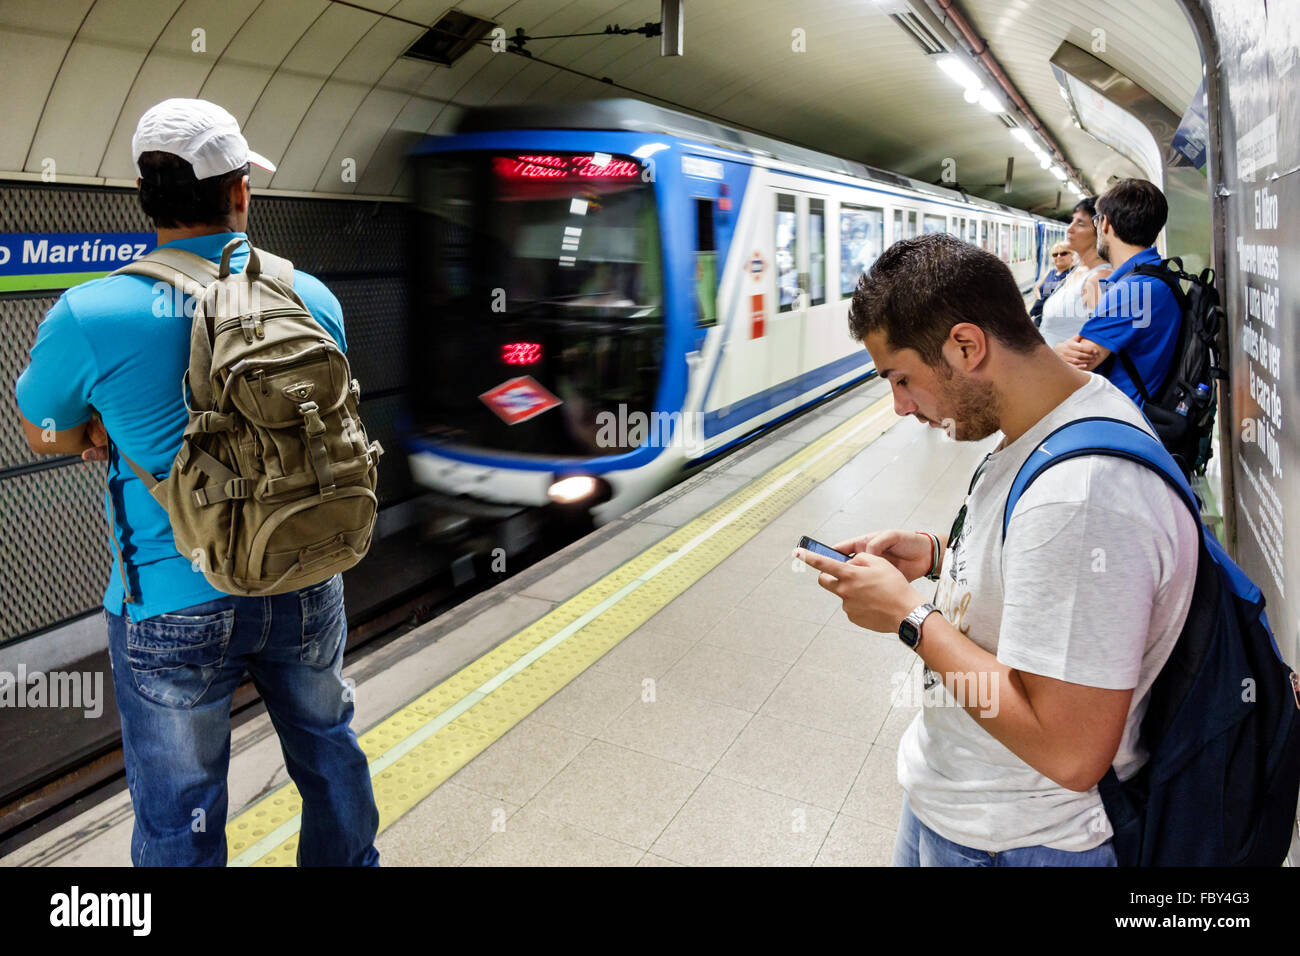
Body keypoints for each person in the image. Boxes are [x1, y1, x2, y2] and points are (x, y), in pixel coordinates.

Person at [14, 99, 379, 867]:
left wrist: (97, 430)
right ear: (240, 191)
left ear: (145, 198)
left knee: (181, 809)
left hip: (172, 602)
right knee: (328, 749)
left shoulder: (90, 312)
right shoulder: (310, 297)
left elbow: (40, 431)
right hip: (304, 573)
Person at [794, 233, 1197, 866]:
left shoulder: (1082, 495)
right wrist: (934, 554)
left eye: (901, 379)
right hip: (963, 803)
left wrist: (909, 618)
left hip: (1018, 839)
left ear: (966, 345)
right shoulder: (1055, 419)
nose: (900, 407)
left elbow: (1069, 750)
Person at [1056, 179, 1183, 404]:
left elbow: (1078, 361)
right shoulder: (1155, 275)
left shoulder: (1135, 289)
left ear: (1104, 223)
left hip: (1126, 422)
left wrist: (1055, 351)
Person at [1038, 198, 1112, 346]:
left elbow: (1100, 343)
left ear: (1100, 230)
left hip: (1063, 367)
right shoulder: (1078, 271)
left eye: (1080, 224)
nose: (1069, 229)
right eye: (1072, 221)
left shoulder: (1099, 278)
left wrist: (1059, 351)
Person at [1028, 241, 1076, 327]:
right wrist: (1039, 298)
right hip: (1039, 313)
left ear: (1072, 255)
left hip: (1054, 317)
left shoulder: (1074, 273)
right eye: (1055, 254)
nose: (1058, 256)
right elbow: (1037, 288)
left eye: (1063, 253)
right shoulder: (1051, 272)